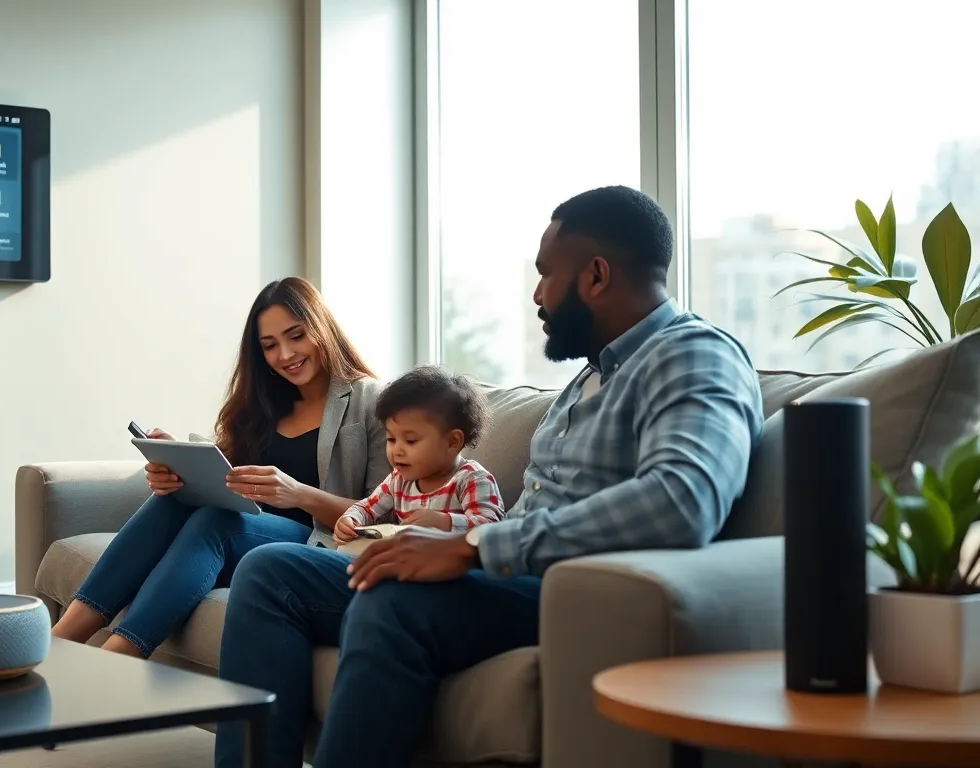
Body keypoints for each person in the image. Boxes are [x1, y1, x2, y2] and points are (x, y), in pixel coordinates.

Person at [212, 186, 765, 768]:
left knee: (394, 601)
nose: (537, 294)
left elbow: (683, 500)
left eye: (546, 273)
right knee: (270, 570)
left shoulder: (693, 354)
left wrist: (472, 546)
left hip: (570, 587)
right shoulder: (589, 378)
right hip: (507, 575)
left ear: (597, 275)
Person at [49, 276, 390, 659]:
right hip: (246, 536)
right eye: (269, 346)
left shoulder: (372, 400)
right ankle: (58, 645)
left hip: (314, 546)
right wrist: (179, 468)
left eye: (296, 336)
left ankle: (115, 659)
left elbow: (385, 517)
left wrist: (298, 494)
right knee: (176, 501)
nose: (285, 354)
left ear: (321, 327)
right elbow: (227, 473)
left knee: (219, 523)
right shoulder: (265, 403)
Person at [333, 365, 504, 547]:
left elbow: (492, 530)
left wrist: (445, 522)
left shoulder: (472, 479)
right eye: (391, 439)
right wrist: (351, 519)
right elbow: (367, 507)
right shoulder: (398, 481)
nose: (396, 450)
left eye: (411, 441)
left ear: (452, 441)